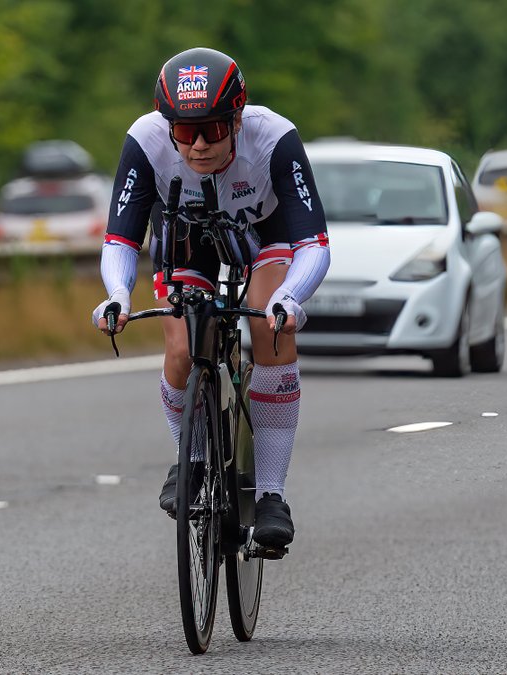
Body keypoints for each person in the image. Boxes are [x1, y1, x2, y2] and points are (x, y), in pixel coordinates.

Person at [91, 47, 330, 549]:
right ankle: (192, 459)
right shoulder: (145, 140)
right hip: (185, 236)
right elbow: (120, 241)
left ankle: (270, 494)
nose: (198, 145)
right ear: (166, 124)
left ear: (238, 118)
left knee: (269, 330)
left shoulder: (275, 138)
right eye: (183, 131)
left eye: (213, 130)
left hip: (266, 235)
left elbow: (314, 245)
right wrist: (116, 295)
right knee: (181, 349)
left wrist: (289, 298)